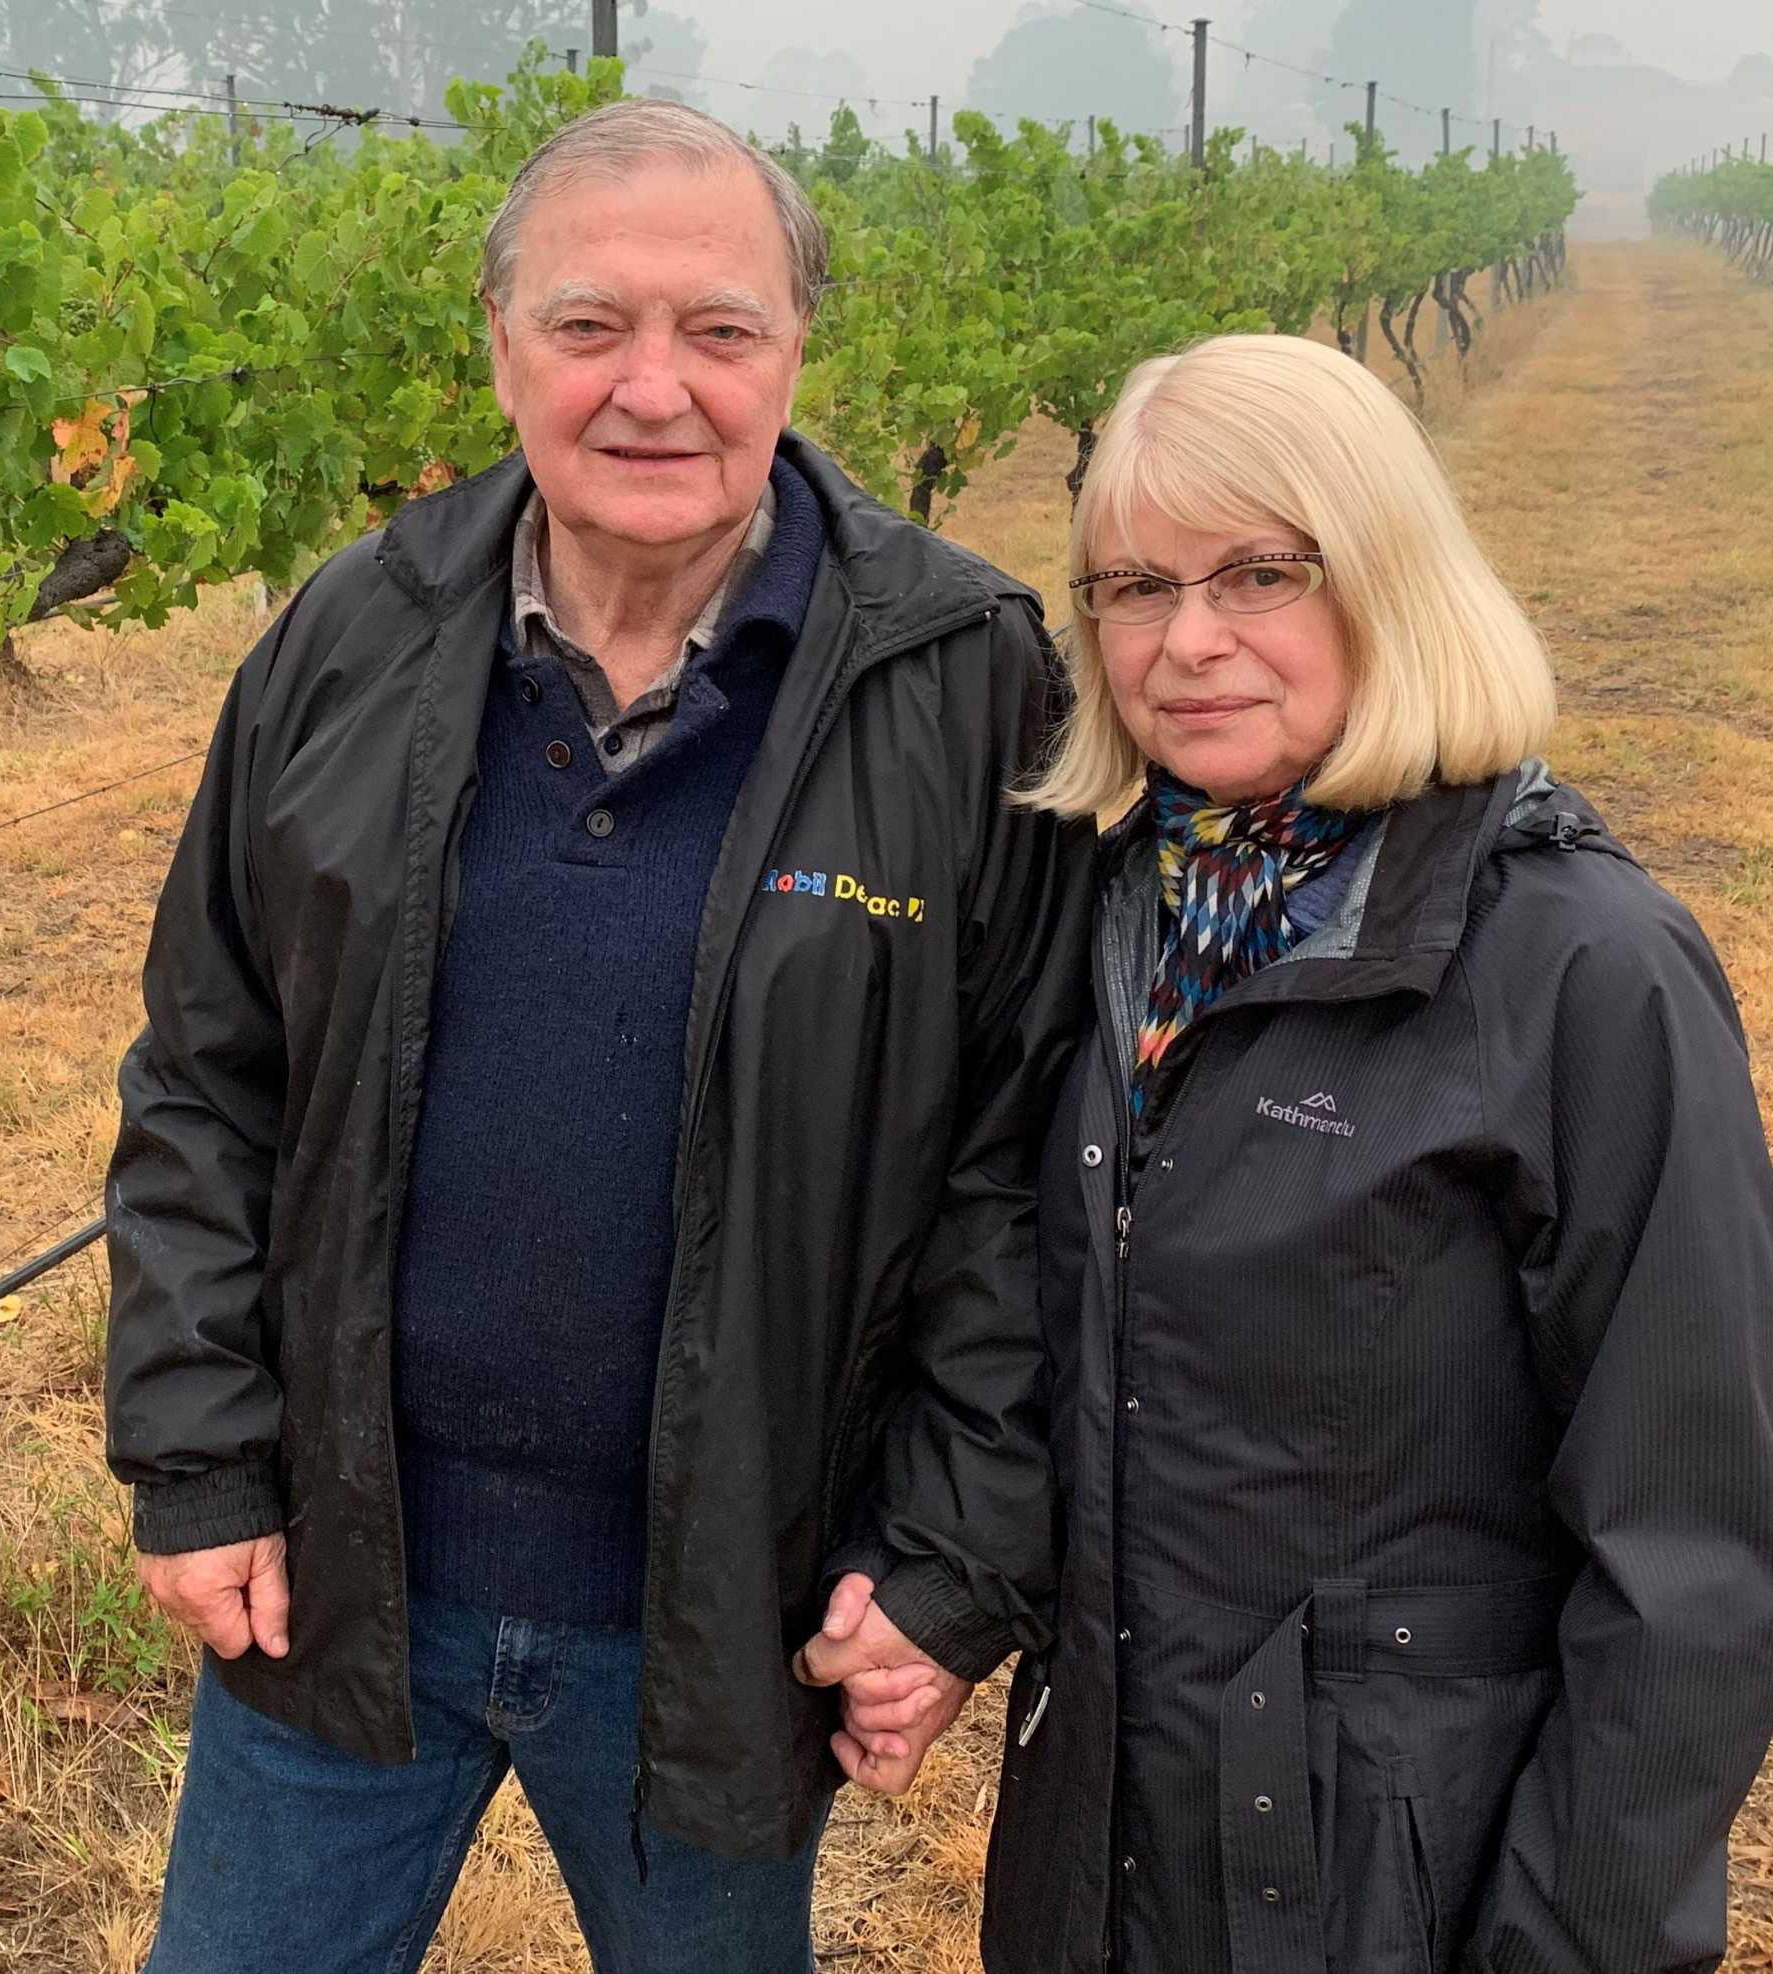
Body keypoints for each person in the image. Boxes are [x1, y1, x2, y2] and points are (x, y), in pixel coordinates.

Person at [102, 98, 1092, 1974]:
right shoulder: (352, 634)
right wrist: (204, 1454)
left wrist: (956, 1563)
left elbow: (1015, 1167)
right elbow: (206, 1072)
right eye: (589, 326)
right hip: (346, 1577)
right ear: (499, 349)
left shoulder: (961, 679)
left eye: (719, 331)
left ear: (798, 352)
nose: (657, 388)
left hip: (720, 1609)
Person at [959, 336, 1773, 1974]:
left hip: (1396, 1894)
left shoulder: (1580, 970)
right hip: (1102, 1851)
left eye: (1260, 573)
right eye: (1132, 587)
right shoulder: (1104, 918)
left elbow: (1693, 1564)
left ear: (1391, 580)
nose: (1188, 639)